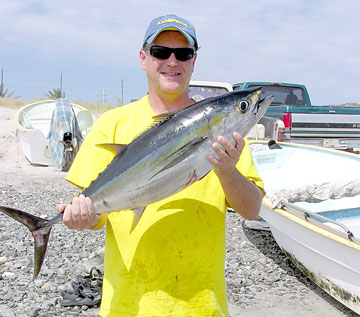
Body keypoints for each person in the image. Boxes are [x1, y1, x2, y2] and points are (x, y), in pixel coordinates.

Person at [57, 14, 264, 317]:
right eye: (160, 52)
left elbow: (252, 210)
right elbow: (98, 216)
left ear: (193, 61)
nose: (172, 61)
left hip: (202, 308)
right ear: (143, 58)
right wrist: (83, 217)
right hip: (127, 307)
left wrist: (227, 171)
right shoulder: (111, 126)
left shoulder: (229, 141)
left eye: (183, 54)